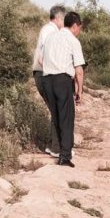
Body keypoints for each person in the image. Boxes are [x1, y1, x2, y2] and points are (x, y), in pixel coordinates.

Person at [41, 12, 86, 168]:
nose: (79, 31)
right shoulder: (72, 40)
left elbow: (41, 60)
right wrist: (79, 91)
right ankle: (64, 156)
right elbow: (78, 69)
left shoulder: (50, 38)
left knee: (57, 116)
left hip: (47, 80)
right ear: (75, 26)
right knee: (66, 118)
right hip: (62, 80)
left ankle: (60, 150)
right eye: (79, 28)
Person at [32, 5, 66, 157]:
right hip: (44, 74)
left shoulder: (49, 30)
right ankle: (55, 149)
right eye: (64, 20)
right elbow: (43, 53)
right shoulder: (50, 30)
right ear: (58, 18)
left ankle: (52, 146)